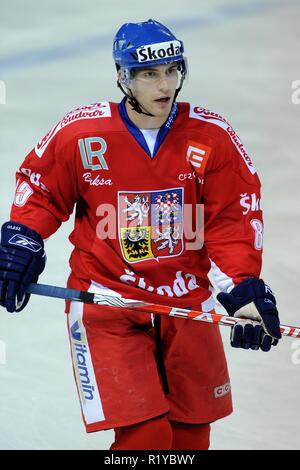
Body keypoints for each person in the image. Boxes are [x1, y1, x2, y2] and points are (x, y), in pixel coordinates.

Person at [0, 19, 281, 450]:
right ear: (122, 76)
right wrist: (23, 238)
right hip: (108, 300)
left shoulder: (212, 137)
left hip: (187, 303)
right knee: (146, 439)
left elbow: (232, 220)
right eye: (149, 73)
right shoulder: (83, 134)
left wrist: (242, 286)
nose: (164, 84)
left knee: (190, 439)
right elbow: (40, 187)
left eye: (172, 70)